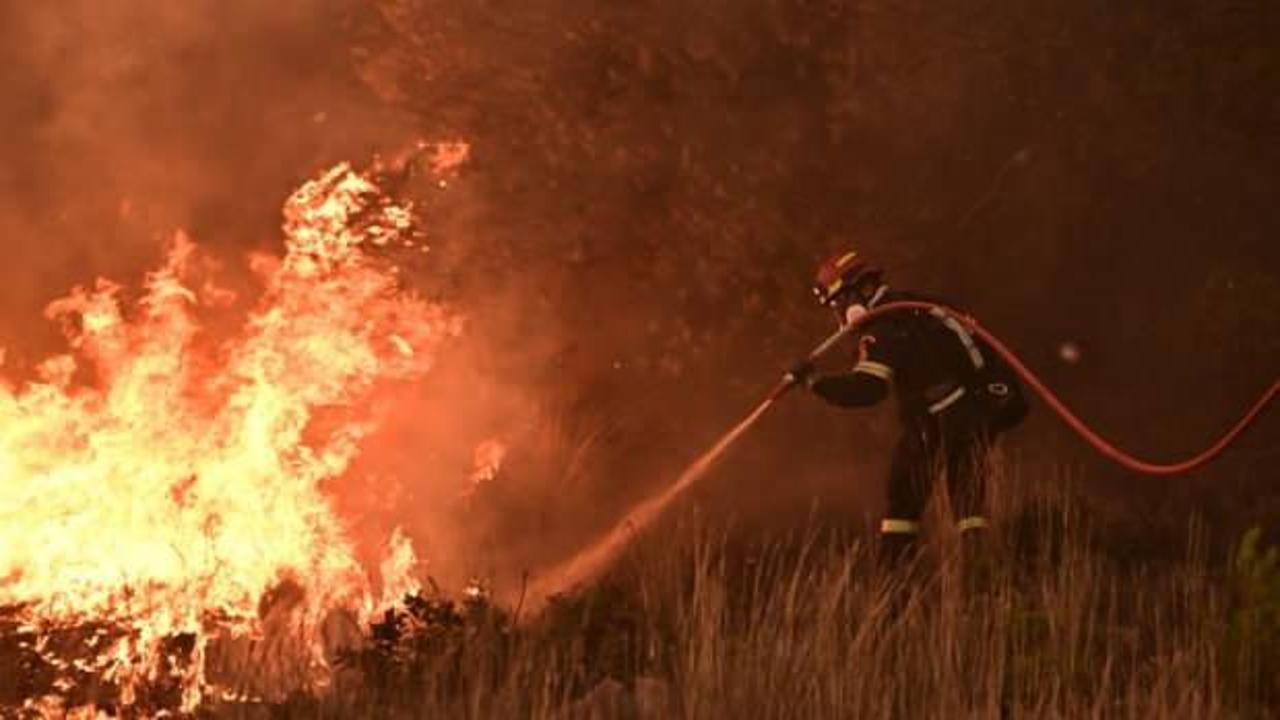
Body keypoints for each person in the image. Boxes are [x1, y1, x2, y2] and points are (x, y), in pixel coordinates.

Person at [787, 250, 1029, 569]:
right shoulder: (919, 306)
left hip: (933, 422)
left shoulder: (883, 330)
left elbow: (867, 389)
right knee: (969, 505)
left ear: (857, 293)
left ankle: (894, 586)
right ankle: (983, 581)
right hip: (972, 413)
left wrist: (814, 382)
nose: (839, 311)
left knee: (902, 503)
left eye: (837, 302)